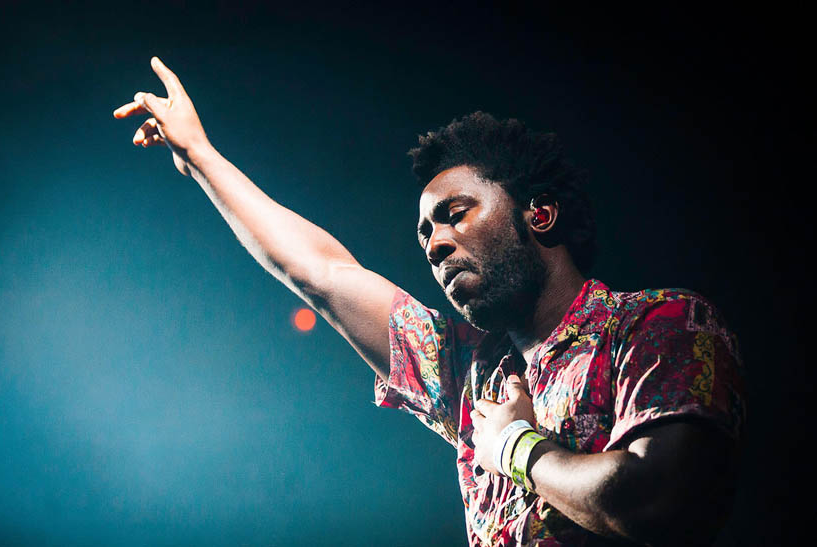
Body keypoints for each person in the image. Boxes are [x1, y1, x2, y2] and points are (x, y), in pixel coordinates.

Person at [114, 57, 745, 546]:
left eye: (456, 215)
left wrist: (516, 448)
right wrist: (200, 157)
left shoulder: (658, 323)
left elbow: (659, 503)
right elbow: (321, 272)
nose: (435, 242)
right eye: (424, 233)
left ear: (540, 215)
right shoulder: (469, 373)